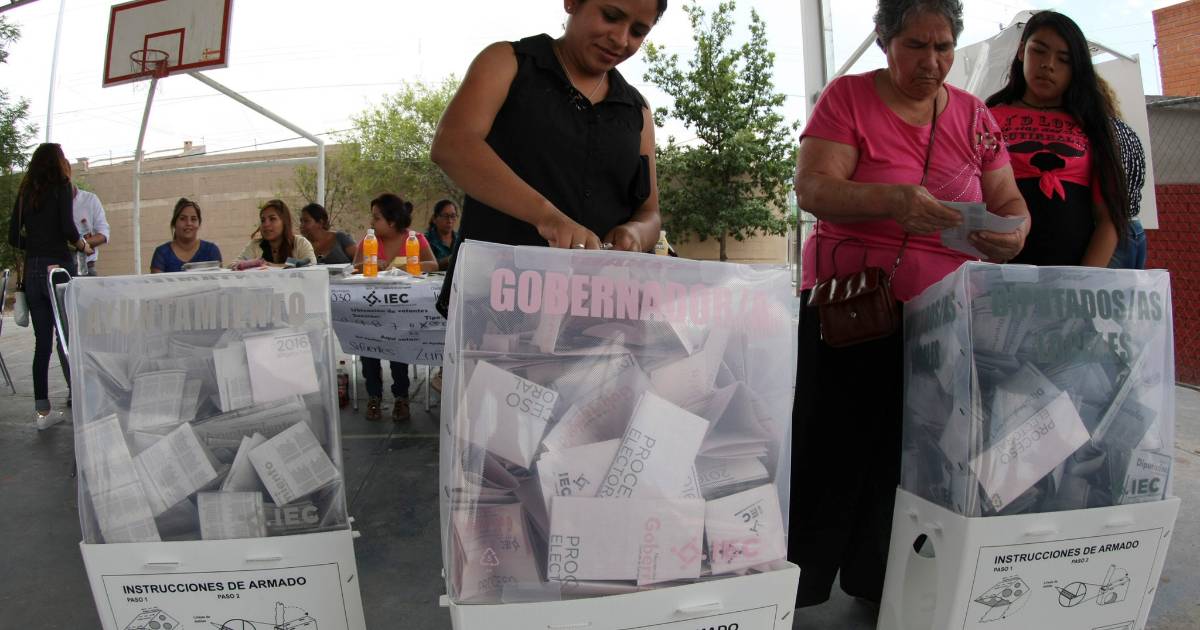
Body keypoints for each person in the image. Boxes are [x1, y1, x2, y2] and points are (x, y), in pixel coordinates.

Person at [790, 0, 1029, 607]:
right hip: (853, 310)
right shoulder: (848, 98)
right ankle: (801, 587)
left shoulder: (974, 115)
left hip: (944, 319)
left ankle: (879, 582)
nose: (932, 62)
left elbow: (1010, 202)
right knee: (832, 446)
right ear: (884, 41)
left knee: (913, 452)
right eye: (915, 46)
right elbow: (813, 188)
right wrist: (892, 201)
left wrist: (1014, 234)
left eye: (943, 47)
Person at [430, 0, 667, 311]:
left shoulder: (637, 111)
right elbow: (452, 145)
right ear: (572, 3)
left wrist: (634, 233)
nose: (621, 39)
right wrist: (550, 218)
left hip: (596, 311)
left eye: (637, 31)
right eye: (610, 16)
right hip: (497, 306)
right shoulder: (507, 63)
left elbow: (650, 214)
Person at [986, 10, 1129, 267]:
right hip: (1001, 275)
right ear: (1021, 51)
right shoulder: (987, 116)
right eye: (1039, 51)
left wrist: (1083, 281)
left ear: (1077, 68)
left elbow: (1109, 219)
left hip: (1073, 278)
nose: (1048, 65)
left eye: (1064, 59)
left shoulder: (1092, 124)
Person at [7, 143, 90, 429]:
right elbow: (68, 227)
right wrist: (82, 244)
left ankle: (42, 412)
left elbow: (13, 236)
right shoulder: (62, 187)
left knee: (41, 342)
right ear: (59, 162)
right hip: (58, 271)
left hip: (32, 271)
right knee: (67, 337)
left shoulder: (26, 192)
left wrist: (36, 245)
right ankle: (80, 398)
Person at [351, 192, 437, 422]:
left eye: (376, 217)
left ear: (392, 220)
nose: (372, 222)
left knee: (399, 352)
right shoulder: (368, 241)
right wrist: (369, 264)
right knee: (369, 351)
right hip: (370, 309)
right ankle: (374, 397)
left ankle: (401, 397)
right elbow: (354, 267)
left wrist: (409, 266)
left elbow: (433, 264)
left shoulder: (415, 239)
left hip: (402, 311)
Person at [1094, 78, 1148, 269]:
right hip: (1135, 227)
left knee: (1099, 288)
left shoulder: (1095, 133)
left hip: (1109, 234)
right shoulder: (1127, 131)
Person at [234, 199, 317, 268]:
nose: (266, 224)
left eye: (272, 219)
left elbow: (311, 264)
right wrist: (252, 263)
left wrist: (275, 266)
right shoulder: (255, 245)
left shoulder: (300, 243)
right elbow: (233, 265)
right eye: (263, 220)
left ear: (284, 222)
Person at [150, 198, 223, 273]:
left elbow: (219, 279)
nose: (189, 223)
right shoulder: (162, 253)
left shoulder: (211, 251)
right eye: (183, 219)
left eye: (193, 219)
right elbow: (157, 280)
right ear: (174, 223)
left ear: (199, 224)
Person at [69, 168, 110, 276]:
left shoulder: (90, 199)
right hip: (60, 267)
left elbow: (103, 234)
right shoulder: (51, 202)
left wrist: (80, 244)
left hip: (86, 267)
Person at [424, 199, 461, 270]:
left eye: (453, 216)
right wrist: (449, 260)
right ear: (434, 219)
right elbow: (424, 265)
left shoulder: (460, 239)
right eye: (445, 216)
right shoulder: (426, 240)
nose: (449, 221)